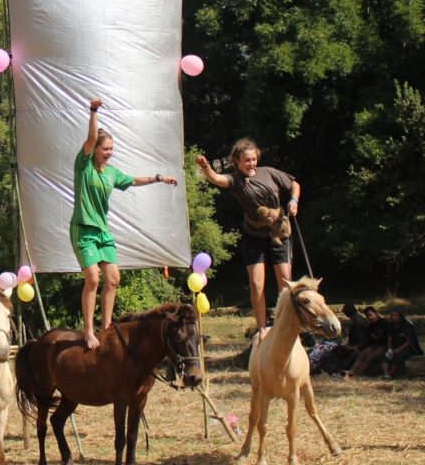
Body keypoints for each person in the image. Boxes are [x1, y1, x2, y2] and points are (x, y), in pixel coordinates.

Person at [71, 98, 178, 349]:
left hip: (103, 232)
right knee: (94, 280)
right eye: (105, 148)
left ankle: (106, 328)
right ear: (94, 149)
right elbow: (89, 137)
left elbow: (133, 180)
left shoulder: (111, 173)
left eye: (111, 148)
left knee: (113, 278)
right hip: (83, 229)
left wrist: (159, 178)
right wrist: (93, 111)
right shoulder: (83, 166)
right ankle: (88, 331)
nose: (109, 152)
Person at [196, 139, 300, 336]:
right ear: (237, 161)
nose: (251, 164)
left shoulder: (269, 172)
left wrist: (294, 201)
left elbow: (295, 184)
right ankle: (262, 328)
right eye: (247, 161)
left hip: (279, 233)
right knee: (256, 283)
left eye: (253, 159)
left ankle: (283, 323)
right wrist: (205, 166)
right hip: (254, 237)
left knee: (286, 281)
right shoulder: (235, 180)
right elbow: (216, 179)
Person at [344, 307, 389, 377]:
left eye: (371, 315)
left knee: (370, 356)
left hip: (384, 345)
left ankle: (359, 372)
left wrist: (378, 338)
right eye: (368, 316)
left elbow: (388, 337)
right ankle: (352, 371)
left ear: (375, 313)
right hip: (374, 345)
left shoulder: (385, 323)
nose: (370, 317)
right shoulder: (371, 326)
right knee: (362, 354)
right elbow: (368, 339)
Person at [381, 309, 423, 378]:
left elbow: (409, 340)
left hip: (406, 347)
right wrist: (390, 348)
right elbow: (389, 338)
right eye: (391, 315)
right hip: (394, 345)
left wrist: (398, 350)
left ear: (399, 316)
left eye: (395, 315)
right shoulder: (390, 325)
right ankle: (386, 374)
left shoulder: (406, 325)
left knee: (399, 356)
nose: (393, 317)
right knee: (385, 355)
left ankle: (390, 374)